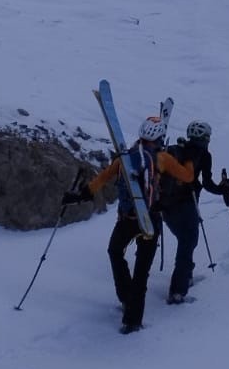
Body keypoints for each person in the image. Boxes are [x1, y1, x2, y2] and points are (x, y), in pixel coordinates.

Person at [66, 114, 194, 333]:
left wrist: (82, 194)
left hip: (127, 219)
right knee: (141, 272)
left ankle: (126, 297)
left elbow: (102, 178)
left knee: (115, 252)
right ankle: (132, 321)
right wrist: (188, 157)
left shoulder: (124, 158)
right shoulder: (162, 158)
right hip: (150, 219)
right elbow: (187, 177)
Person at [158, 119, 229, 305]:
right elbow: (207, 184)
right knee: (188, 241)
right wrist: (222, 189)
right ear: (205, 138)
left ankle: (186, 274)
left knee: (185, 240)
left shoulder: (177, 149)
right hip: (187, 203)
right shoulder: (204, 155)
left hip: (165, 204)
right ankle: (178, 290)